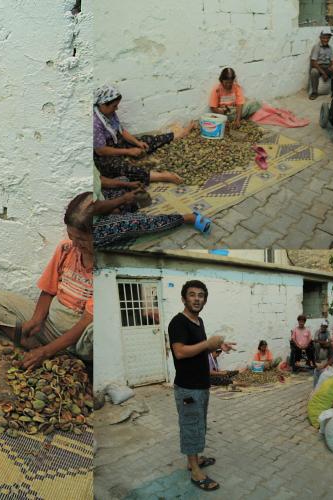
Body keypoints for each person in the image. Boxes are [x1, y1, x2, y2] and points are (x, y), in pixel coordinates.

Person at [0, 192, 93, 370]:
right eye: (71, 236)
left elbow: (86, 321)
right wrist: (37, 319)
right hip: (50, 325)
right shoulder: (66, 249)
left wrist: (46, 352)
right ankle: (52, 354)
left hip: (81, 339)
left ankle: (52, 353)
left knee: (98, 334)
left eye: (81, 239)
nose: (75, 243)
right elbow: (49, 290)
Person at [168, 280, 236, 492]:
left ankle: (193, 460)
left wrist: (216, 348)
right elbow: (179, 351)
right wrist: (208, 344)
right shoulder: (178, 323)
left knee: (198, 425)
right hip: (187, 387)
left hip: (201, 385)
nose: (197, 299)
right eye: (192, 294)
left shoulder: (199, 322)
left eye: (201, 295)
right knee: (191, 426)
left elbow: (198, 349)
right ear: (183, 298)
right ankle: (195, 471)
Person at [93, 84, 194, 186]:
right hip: (104, 155)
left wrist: (138, 143)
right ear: (102, 104)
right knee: (121, 168)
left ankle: (178, 135)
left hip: (116, 143)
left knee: (146, 140)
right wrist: (128, 151)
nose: (117, 108)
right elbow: (101, 151)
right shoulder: (95, 123)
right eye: (114, 106)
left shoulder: (109, 112)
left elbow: (122, 131)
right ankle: (163, 176)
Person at [90, 168, 212, 247]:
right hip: (89, 226)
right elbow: (93, 208)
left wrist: (127, 184)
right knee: (136, 223)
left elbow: (99, 179)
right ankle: (189, 218)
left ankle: (123, 208)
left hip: (99, 202)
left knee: (124, 179)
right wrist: (122, 200)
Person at [309, 29, 333, 100]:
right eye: (324, 37)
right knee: (314, 72)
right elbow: (313, 62)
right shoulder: (316, 47)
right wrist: (324, 73)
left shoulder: (330, 48)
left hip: (327, 67)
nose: (326, 40)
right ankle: (314, 92)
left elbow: (332, 60)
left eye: (328, 38)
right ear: (320, 38)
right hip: (318, 67)